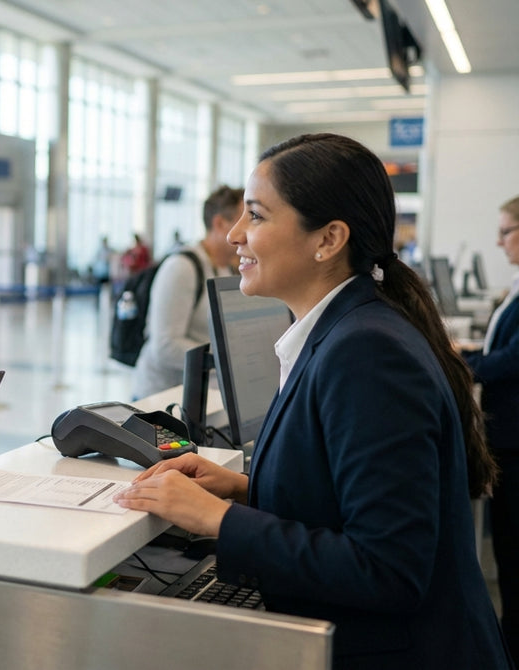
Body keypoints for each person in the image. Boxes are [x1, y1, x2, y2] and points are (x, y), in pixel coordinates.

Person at [115, 134, 510, 668]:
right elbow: (350, 498)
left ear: (328, 239)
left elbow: (388, 568)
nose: (234, 235)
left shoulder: (366, 353)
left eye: (255, 216)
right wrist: (244, 489)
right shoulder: (349, 329)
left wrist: (219, 520)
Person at [462, 195, 519, 656]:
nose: (499, 241)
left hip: (515, 440)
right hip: (507, 436)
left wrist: (467, 361)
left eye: (506, 231)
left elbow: (515, 359)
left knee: (514, 552)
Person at [132, 185, 242, 399]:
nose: (249, 230)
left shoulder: (227, 267)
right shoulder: (182, 267)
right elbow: (164, 346)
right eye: (242, 219)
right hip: (161, 401)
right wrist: (226, 357)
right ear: (219, 223)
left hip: (203, 396)